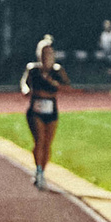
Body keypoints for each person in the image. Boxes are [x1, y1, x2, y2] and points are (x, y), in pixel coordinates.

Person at [18, 35, 72, 190]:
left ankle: (42, 171)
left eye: (49, 53)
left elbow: (67, 87)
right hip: (35, 110)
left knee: (48, 143)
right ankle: (39, 171)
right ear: (39, 54)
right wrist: (26, 89)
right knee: (39, 140)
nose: (46, 56)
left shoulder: (57, 71)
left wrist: (53, 83)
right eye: (43, 53)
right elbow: (24, 82)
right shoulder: (33, 69)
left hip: (52, 110)